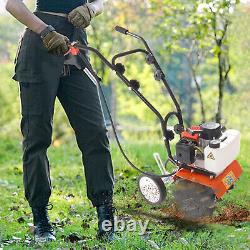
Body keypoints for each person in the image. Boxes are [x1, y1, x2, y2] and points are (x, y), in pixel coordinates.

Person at [5, 0, 115, 242]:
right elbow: (12, 4)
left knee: (95, 132)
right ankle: (41, 219)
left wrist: (91, 9)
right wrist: (44, 30)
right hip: (39, 44)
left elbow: (102, 1)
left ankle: (106, 216)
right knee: (37, 138)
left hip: (76, 45)